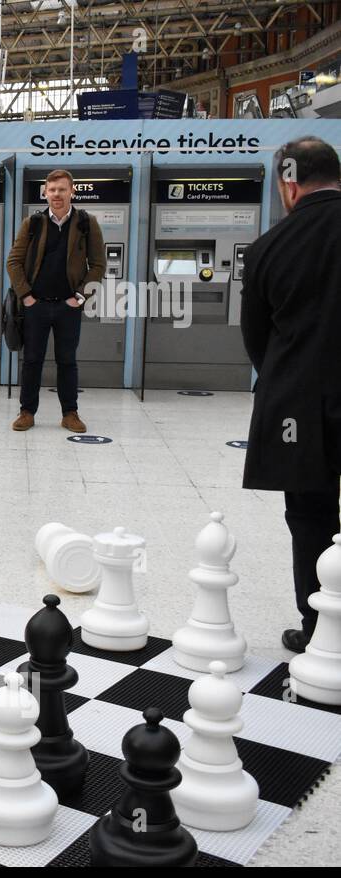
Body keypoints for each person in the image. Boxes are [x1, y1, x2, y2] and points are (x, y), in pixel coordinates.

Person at [240, 136, 341, 654]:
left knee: (311, 518)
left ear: (289, 182)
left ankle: (319, 627)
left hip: (301, 409)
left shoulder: (267, 249)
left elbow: (257, 341)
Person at [6, 168, 106, 434]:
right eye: (52, 190)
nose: (56, 195)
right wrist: (26, 296)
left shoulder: (87, 223)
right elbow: (13, 261)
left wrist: (81, 296)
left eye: (62, 189)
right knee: (32, 361)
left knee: (67, 360)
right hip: (36, 306)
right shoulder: (33, 223)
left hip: (68, 306)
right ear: (45, 193)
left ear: (72, 191)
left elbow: (98, 265)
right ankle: (26, 412)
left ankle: (70, 414)